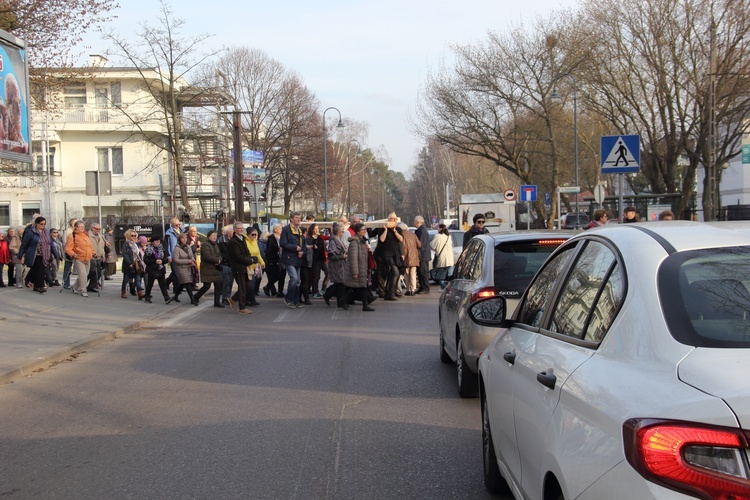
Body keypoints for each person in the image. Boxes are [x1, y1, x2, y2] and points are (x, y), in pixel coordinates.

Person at [20, 217, 60, 293]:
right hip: (34, 254)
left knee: (37, 270)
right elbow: (24, 244)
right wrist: (20, 255)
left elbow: (50, 244)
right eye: (41, 224)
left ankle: (32, 283)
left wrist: (56, 254)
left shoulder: (46, 232)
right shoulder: (31, 232)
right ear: (37, 224)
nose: (43, 225)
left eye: (44, 224)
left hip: (44, 255)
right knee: (40, 270)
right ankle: (39, 286)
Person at [372, 212, 403, 301]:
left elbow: (401, 239)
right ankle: (390, 292)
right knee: (395, 272)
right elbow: (381, 239)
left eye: (395, 219)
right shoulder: (383, 229)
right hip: (386, 254)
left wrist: (394, 231)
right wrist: (386, 229)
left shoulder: (398, 229)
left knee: (393, 273)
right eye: (392, 219)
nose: (394, 221)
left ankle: (389, 292)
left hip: (394, 254)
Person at [344, 223, 375, 311]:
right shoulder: (355, 242)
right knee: (360, 287)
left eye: (365, 229)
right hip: (358, 268)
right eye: (363, 230)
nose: (365, 231)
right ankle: (364, 305)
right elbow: (353, 258)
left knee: (360, 287)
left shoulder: (362, 240)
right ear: (358, 231)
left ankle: (344, 301)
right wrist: (355, 272)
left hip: (362, 267)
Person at [227, 222, 254, 314]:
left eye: (242, 228)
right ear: (235, 230)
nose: (241, 229)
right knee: (242, 286)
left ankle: (233, 299)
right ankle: (242, 307)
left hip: (245, 266)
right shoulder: (233, 242)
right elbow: (238, 256)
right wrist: (249, 260)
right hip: (238, 267)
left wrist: (250, 259)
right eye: (239, 228)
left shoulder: (242, 239)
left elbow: (246, 252)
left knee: (248, 285)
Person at [280, 212, 305, 309]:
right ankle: (289, 298)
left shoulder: (299, 230)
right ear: (291, 219)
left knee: (297, 281)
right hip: (289, 258)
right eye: (296, 218)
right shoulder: (286, 229)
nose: (299, 219)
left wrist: (302, 251)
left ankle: (295, 300)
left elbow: (303, 243)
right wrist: (295, 248)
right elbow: (283, 243)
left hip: (298, 258)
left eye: (299, 217)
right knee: (294, 278)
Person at [193, 230, 224, 307]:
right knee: (207, 286)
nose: (214, 237)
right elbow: (207, 256)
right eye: (213, 235)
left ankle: (217, 302)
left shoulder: (215, 244)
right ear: (209, 236)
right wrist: (217, 260)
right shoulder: (205, 245)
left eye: (215, 235)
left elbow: (219, 255)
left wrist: (219, 260)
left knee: (218, 284)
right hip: (207, 268)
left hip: (215, 268)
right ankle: (195, 297)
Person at [62, 220, 93, 297]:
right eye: (80, 227)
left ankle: (75, 287)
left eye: (83, 227)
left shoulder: (85, 235)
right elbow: (68, 248)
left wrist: (93, 253)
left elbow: (89, 247)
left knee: (85, 274)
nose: (83, 228)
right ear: (76, 227)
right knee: (83, 275)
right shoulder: (72, 236)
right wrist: (73, 254)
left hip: (87, 258)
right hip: (79, 258)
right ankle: (83, 290)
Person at [323, 222, 350, 309]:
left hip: (341, 264)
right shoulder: (333, 241)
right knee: (340, 283)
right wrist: (342, 256)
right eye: (342, 231)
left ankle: (331, 297)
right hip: (336, 265)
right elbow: (331, 255)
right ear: (338, 232)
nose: (343, 233)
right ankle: (337, 300)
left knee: (340, 284)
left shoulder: (338, 239)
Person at [142, 236, 173, 304]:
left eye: (158, 241)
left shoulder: (162, 249)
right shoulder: (148, 250)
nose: (157, 243)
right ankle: (147, 297)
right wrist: (155, 261)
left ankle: (166, 297)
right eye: (156, 241)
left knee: (162, 284)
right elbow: (146, 260)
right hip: (152, 269)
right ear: (152, 242)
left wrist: (162, 261)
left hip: (160, 269)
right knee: (150, 284)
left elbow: (166, 259)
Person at [171, 233, 197, 305]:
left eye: (185, 238)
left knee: (183, 283)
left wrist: (192, 261)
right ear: (179, 239)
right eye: (183, 238)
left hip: (188, 267)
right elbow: (176, 260)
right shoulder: (177, 248)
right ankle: (192, 299)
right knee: (187, 282)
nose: (185, 240)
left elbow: (191, 256)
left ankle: (176, 296)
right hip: (181, 268)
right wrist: (188, 261)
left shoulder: (188, 246)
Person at [120, 229, 145, 300]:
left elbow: (138, 253)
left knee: (137, 279)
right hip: (128, 264)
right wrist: (129, 263)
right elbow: (125, 254)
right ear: (128, 235)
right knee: (126, 279)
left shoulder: (135, 244)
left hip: (136, 263)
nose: (134, 237)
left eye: (135, 235)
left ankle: (139, 293)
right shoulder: (126, 244)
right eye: (132, 235)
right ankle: (123, 292)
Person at [399, 222, 421, 296]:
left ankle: (408, 289)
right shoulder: (413, 234)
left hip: (405, 256)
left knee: (406, 273)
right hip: (414, 256)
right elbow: (419, 245)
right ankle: (413, 289)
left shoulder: (401, 235)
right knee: (413, 273)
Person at [263, 223, 284, 298]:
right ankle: (267, 287)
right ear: (275, 230)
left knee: (282, 275)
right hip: (274, 259)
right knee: (276, 275)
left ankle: (280, 291)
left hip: (283, 258)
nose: (281, 230)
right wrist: (270, 261)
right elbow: (268, 250)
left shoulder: (283, 237)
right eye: (280, 228)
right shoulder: (271, 238)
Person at [430, 224, 454, 290]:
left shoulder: (437, 236)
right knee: (450, 274)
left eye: (438, 228)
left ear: (440, 228)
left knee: (441, 274)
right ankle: (450, 287)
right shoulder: (449, 236)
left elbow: (432, 246)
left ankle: (443, 287)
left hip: (442, 257)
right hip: (450, 258)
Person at [243, 228, 263, 306]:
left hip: (254, 266)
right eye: (253, 234)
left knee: (253, 283)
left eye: (256, 234)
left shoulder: (255, 242)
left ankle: (252, 299)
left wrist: (262, 262)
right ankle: (247, 300)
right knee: (250, 283)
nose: (255, 236)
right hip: (248, 265)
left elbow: (258, 254)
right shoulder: (245, 242)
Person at [307, 223, 326, 299]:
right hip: (315, 260)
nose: (316, 230)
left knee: (328, 273)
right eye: (315, 229)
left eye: (317, 228)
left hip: (322, 258)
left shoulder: (320, 238)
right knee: (316, 276)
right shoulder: (309, 239)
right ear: (312, 230)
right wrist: (312, 246)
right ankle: (315, 292)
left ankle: (323, 289)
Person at [217, 225, 235, 305]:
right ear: (228, 234)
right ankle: (225, 297)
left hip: (231, 264)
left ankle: (227, 296)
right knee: (227, 280)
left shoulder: (234, 240)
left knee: (230, 280)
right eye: (233, 233)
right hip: (224, 263)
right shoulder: (221, 241)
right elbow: (220, 252)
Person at [413, 215, 431, 295]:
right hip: (422, 255)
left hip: (423, 255)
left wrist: (419, 255)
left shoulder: (422, 231)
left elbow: (421, 244)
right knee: (420, 272)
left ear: (418, 222)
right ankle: (421, 287)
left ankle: (425, 288)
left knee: (423, 272)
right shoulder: (420, 230)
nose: (414, 223)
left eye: (414, 221)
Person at [87, 223, 105, 292]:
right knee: (92, 271)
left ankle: (91, 286)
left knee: (98, 273)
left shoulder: (100, 236)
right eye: (97, 229)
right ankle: (81, 283)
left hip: (99, 257)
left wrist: (103, 255)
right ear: (92, 228)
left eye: (99, 229)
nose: (98, 230)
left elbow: (102, 246)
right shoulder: (88, 235)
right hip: (91, 256)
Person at [61, 218, 77, 289]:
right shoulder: (67, 232)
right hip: (69, 253)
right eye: (75, 223)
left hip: (78, 253)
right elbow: (64, 243)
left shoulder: (79, 231)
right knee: (68, 269)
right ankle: (66, 283)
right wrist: (68, 252)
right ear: (71, 224)